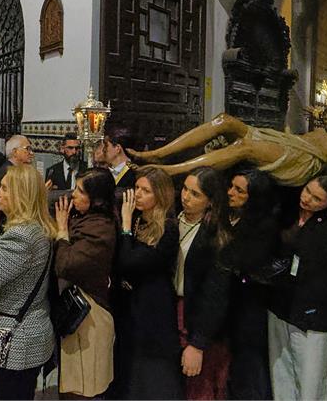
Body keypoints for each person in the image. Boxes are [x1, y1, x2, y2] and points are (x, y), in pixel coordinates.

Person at [0, 165, 56, 400]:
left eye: (5, 188)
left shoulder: (22, 235)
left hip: (17, 340)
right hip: (27, 333)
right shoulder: (37, 228)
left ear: (21, 194)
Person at [129, 112, 327, 186]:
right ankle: (157, 153)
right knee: (225, 120)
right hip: (293, 142)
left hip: (307, 159)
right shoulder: (320, 131)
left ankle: (169, 170)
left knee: (244, 147)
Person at [267, 175, 327, 400]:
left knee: (311, 379)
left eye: (317, 198)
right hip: (280, 305)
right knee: (281, 372)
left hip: (312, 314)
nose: (307, 199)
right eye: (307, 191)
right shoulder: (287, 213)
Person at [112, 165, 183, 399]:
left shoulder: (169, 228)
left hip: (154, 308)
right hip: (130, 306)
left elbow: (131, 263)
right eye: (137, 188)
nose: (138, 195)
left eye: (146, 190)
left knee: (151, 377)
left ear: (160, 195)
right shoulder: (136, 220)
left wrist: (124, 226)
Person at [53, 168, 117, 398]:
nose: (73, 195)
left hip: (91, 315)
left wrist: (61, 231)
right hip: (76, 315)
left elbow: (66, 265)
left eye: (80, 191)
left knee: (85, 387)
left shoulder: (101, 228)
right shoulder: (83, 219)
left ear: (97, 199)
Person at [174, 167, 233, 399]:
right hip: (174, 313)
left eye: (195, 194)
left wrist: (198, 343)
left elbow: (216, 295)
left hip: (199, 320)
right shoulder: (174, 220)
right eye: (185, 189)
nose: (186, 197)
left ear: (210, 201)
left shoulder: (217, 236)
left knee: (200, 388)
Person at [220, 168, 278, 399]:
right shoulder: (228, 216)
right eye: (231, 186)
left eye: (239, 190)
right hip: (230, 306)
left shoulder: (264, 226)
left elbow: (244, 260)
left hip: (250, 307)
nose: (230, 193)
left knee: (250, 365)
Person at [100, 125, 137, 189]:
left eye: (106, 145)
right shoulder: (103, 172)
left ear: (117, 148)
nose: (103, 150)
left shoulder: (135, 174)